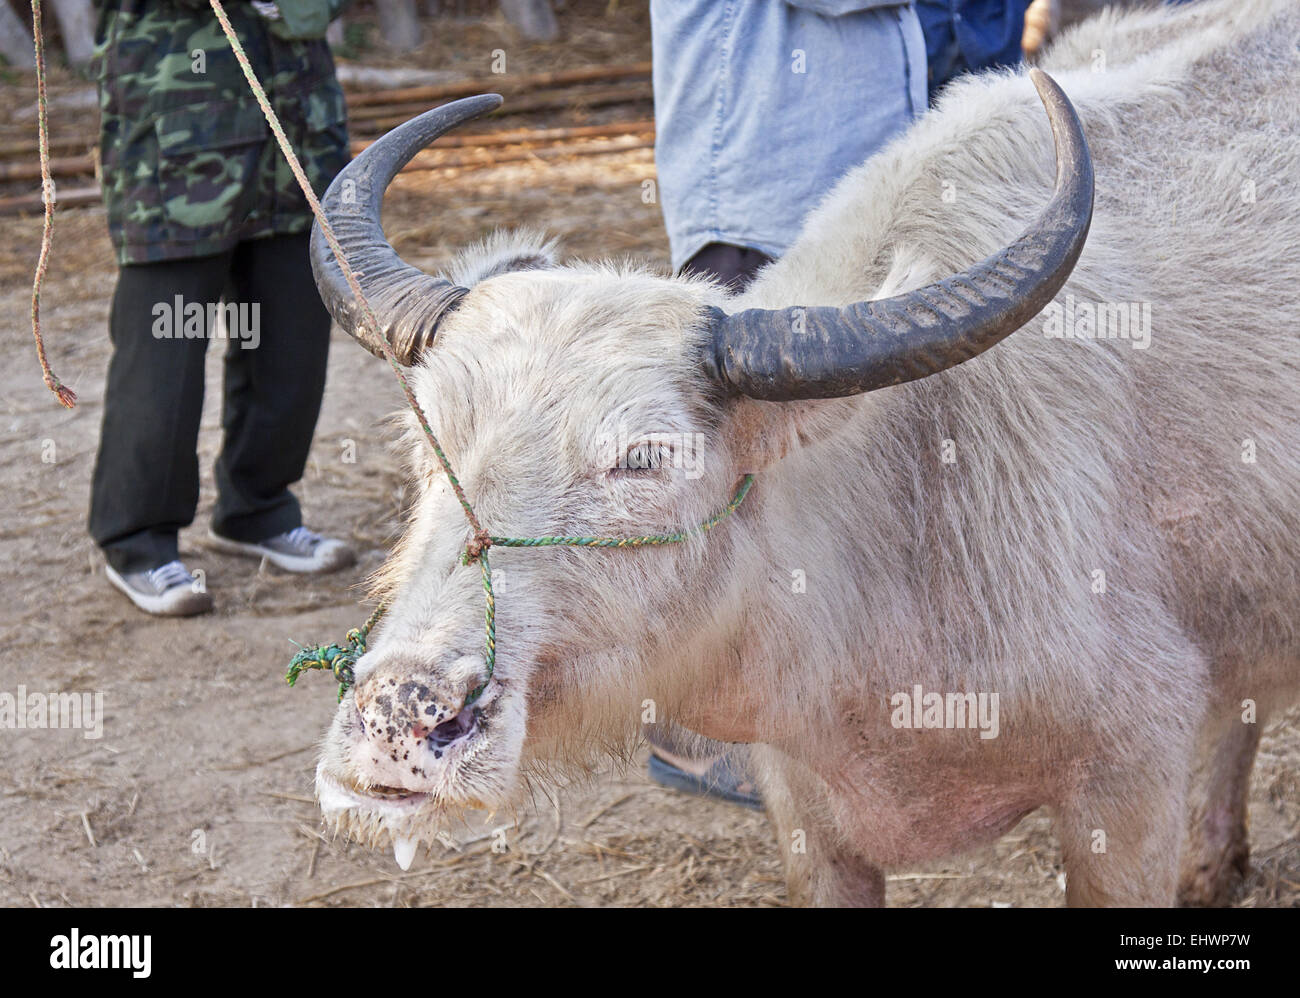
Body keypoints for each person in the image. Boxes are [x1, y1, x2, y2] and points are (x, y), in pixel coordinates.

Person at [648, 0, 929, 804]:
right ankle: (693, 734)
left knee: (803, 482)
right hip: (761, 187)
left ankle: (792, 708)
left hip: (825, 183)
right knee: (720, 482)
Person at [89, 0, 355, 616]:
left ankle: (256, 508)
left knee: (292, 333)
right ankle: (138, 541)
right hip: (181, 128)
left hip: (297, 121)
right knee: (167, 350)